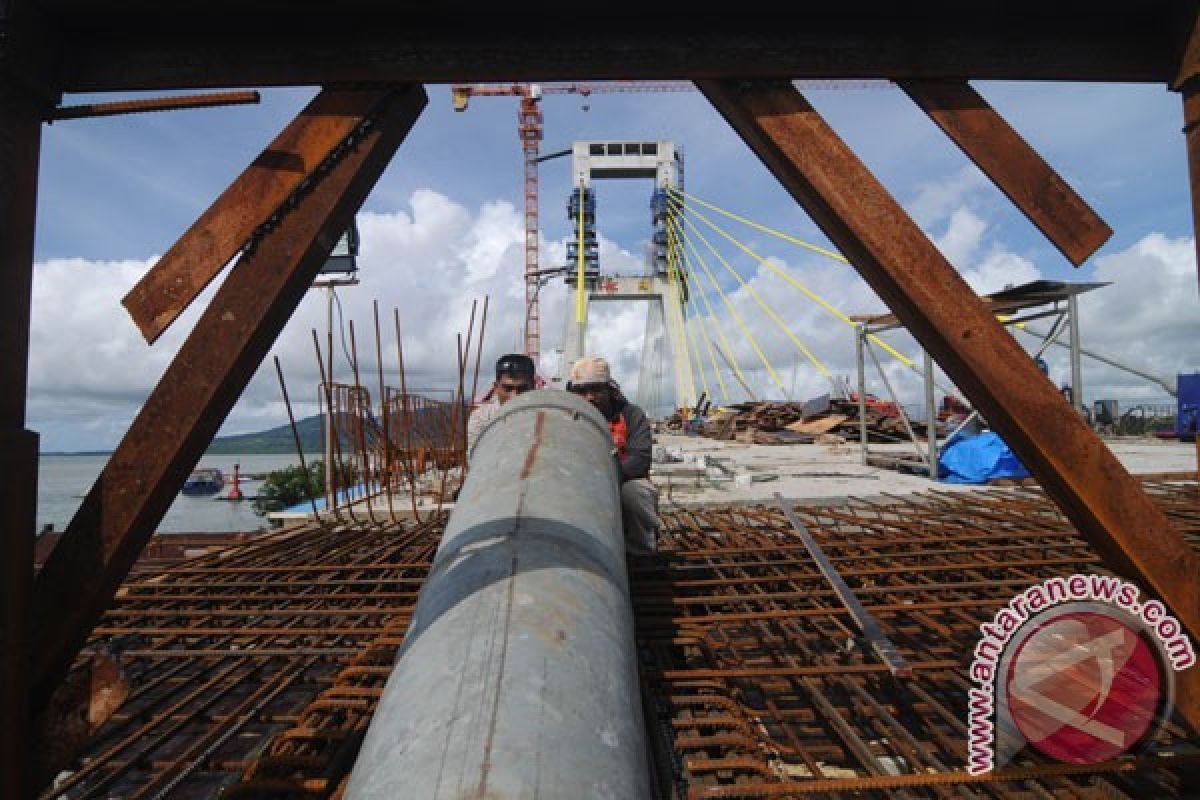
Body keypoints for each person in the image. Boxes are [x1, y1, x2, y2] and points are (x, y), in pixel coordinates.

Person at [567, 355, 659, 555]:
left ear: (609, 389)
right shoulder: (566, 419)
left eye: (596, 389)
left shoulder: (631, 415)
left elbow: (641, 459)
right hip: (580, 484)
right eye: (581, 391)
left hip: (623, 481)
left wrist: (605, 481)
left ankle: (641, 551)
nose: (589, 397)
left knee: (636, 494)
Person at [466, 353, 536, 456]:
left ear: (533, 386)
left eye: (522, 389)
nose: (514, 397)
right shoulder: (481, 417)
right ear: (496, 387)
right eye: (508, 388)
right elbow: (477, 460)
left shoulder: (546, 416)